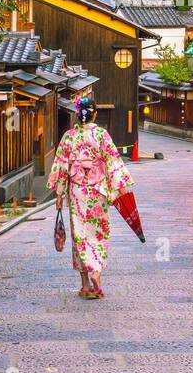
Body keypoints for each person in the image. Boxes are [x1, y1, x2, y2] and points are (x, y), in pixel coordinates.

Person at [47, 97, 133, 299]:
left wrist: (59, 193)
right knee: (99, 232)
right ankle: (97, 274)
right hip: (98, 191)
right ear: (94, 114)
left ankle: (85, 284)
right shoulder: (102, 135)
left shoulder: (69, 137)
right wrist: (120, 187)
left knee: (80, 235)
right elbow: (113, 161)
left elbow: (61, 166)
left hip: (77, 192)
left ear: (78, 115)